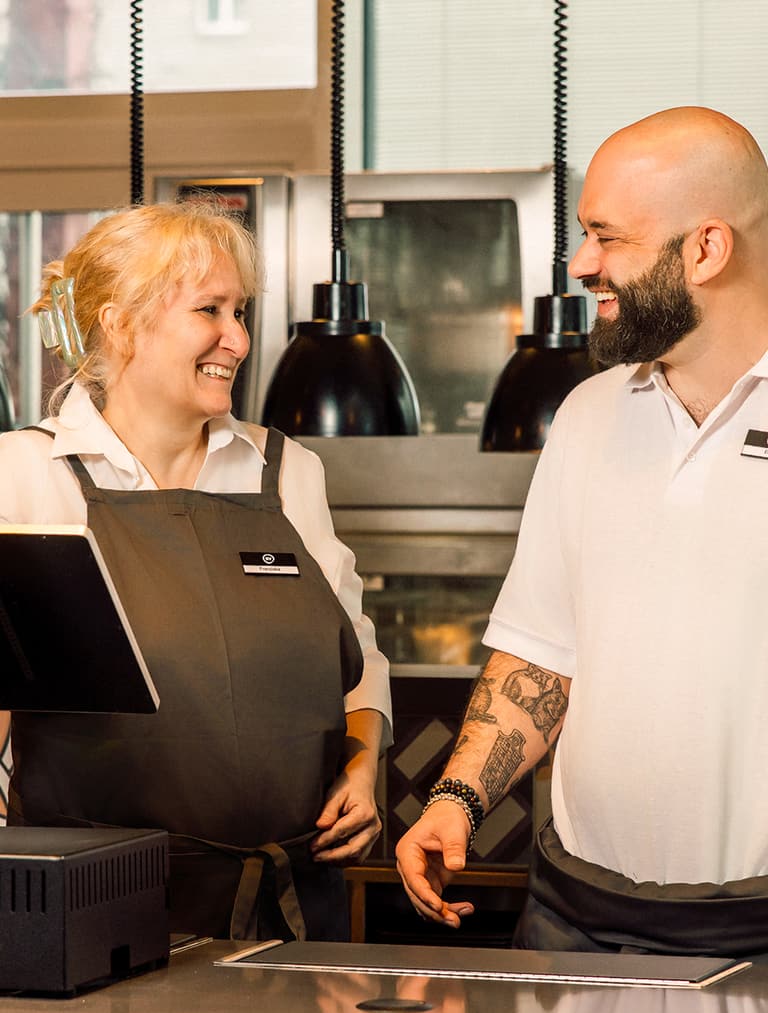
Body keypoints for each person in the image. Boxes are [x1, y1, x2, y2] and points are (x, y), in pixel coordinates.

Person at [395, 106, 768, 959]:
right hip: (574, 916)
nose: (582, 263)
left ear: (706, 249)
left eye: (608, 237)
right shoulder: (588, 416)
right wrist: (456, 799)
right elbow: (540, 651)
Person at [0, 199, 392, 943]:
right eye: (210, 310)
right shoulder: (21, 474)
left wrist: (362, 770)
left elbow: (356, 655)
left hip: (288, 904)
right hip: (91, 909)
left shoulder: (285, 473)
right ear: (119, 324)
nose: (238, 339)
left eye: (240, 311)